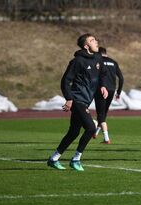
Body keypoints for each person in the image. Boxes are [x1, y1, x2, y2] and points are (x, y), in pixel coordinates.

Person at [47, 33, 108, 171]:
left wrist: (103, 85)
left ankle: (54, 158)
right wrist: (69, 98)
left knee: (73, 132)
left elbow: (103, 73)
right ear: (86, 46)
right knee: (91, 128)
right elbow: (65, 81)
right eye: (92, 40)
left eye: (95, 39)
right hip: (77, 100)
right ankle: (76, 159)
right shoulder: (77, 61)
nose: (96, 42)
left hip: (86, 101)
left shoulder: (98, 58)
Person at [94, 46, 124, 144]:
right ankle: (96, 132)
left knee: (100, 113)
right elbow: (121, 78)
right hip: (111, 90)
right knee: (104, 113)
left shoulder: (98, 61)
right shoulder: (113, 62)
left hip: (101, 89)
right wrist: (118, 92)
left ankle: (106, 138)